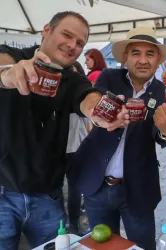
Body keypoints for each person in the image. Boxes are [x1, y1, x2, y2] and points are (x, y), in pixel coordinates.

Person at [0, 11, 128, 250]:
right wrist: (8, 75)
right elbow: (3, 63)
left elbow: (88, 97)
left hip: (49, 196)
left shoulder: (71, 80)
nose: (72, 46)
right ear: (47, 31)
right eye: (67, 35)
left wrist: (99, 112)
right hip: (3, 192)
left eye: (80, 43)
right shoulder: (15, 57)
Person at [67, 27, 166, 250]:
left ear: (158, 61)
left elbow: (160, 136)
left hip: (137, 189)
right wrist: (102, 113)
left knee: (142, 245)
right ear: (125, 58)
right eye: (136, 53)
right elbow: (93, 103)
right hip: (97, 184)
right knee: (101, 245)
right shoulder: (109, 78)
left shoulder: (161, 92)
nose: (143, 60)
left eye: (150, 54)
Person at [66, 61, 90, 235]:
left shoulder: (83, 95)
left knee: (75, 189)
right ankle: (66, 224)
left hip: (77, 147)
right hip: (57, 149)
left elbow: (89, 123)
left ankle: (74, 223)